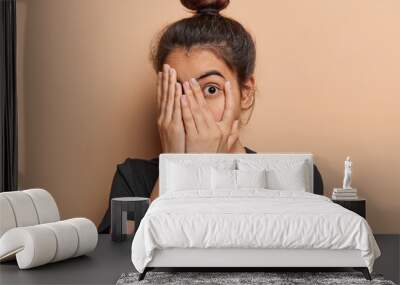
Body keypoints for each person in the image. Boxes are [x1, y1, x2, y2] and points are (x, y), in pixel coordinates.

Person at [98, 0, 323, 234]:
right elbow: (124, 266)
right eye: (176, 91)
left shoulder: (291, 176)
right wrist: (176, 167)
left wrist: (206, 165)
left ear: (245, 93)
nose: (189, 107)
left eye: (211, 89)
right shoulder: (133, 179)